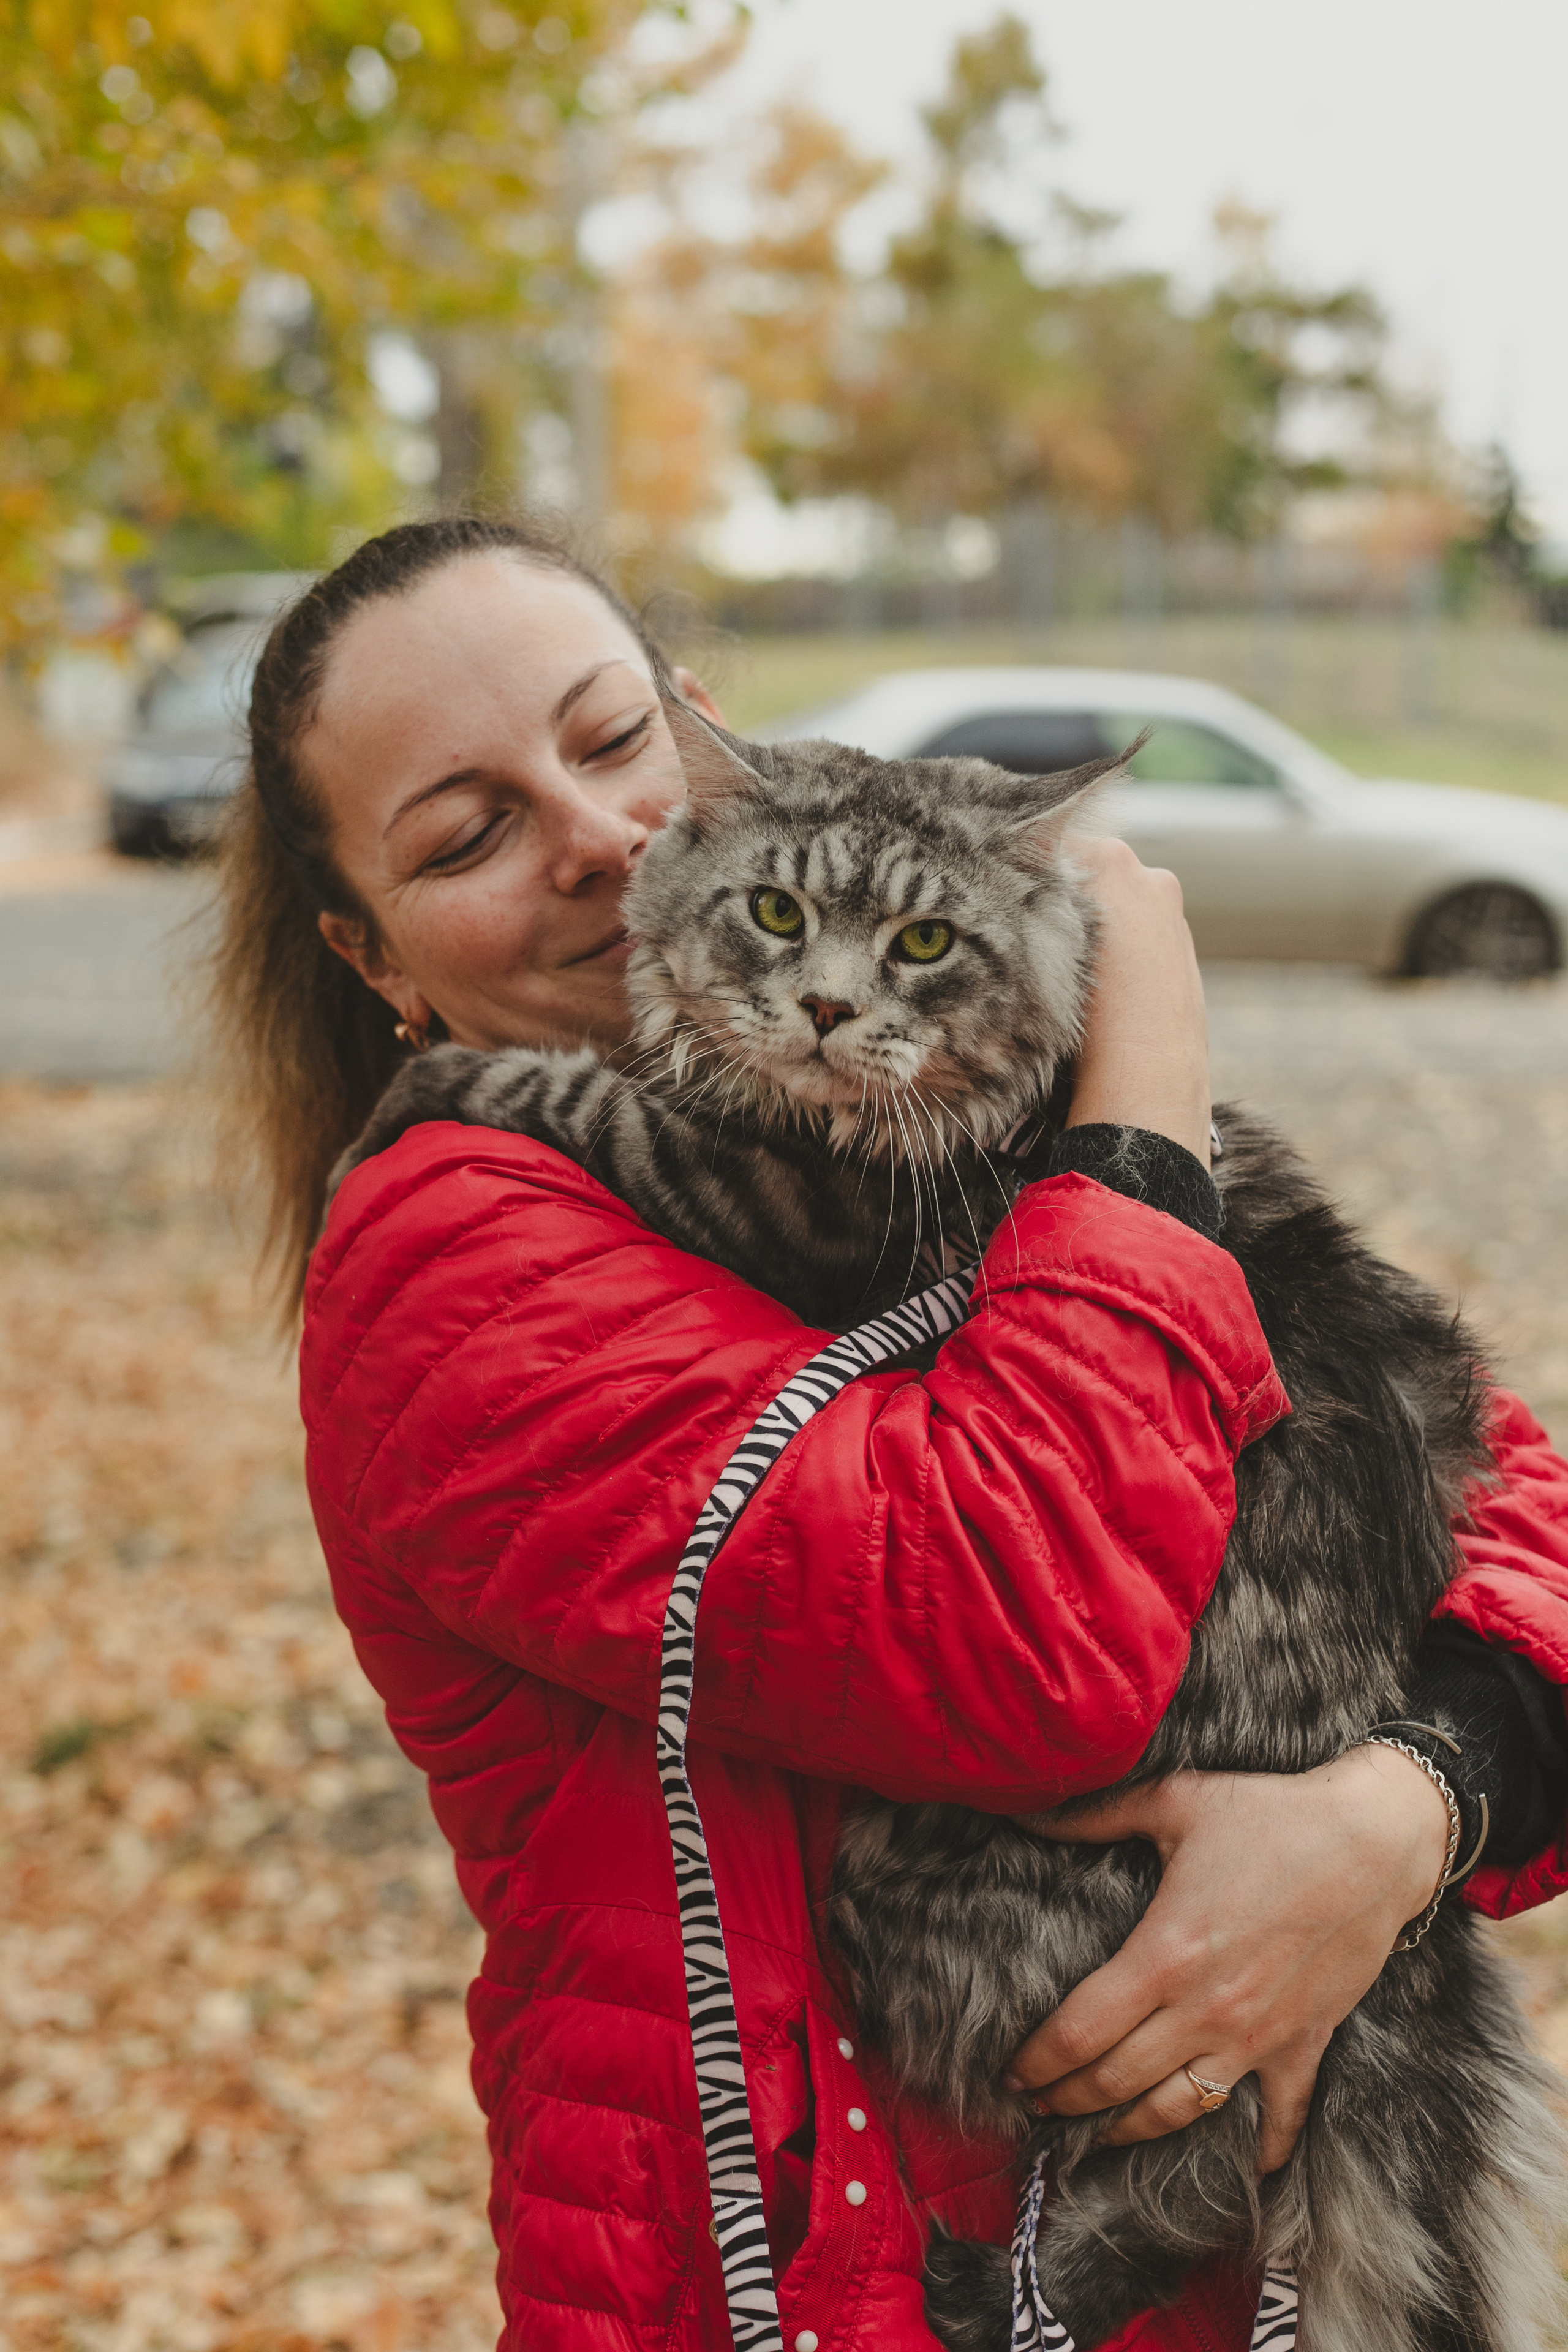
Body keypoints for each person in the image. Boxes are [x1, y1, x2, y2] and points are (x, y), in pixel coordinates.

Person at [211, 516, 1568, 2352]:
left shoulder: (908, 1094)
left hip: (1232, 2237)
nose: (600, 843)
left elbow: (1494, 1474)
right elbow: (1025, 1642)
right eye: (468, 833)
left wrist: (1402, 1803)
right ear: (375, 957)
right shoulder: (447, 1250)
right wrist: (1144, 1098)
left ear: (700, 738)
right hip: (836, 2280)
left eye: (611, 743)